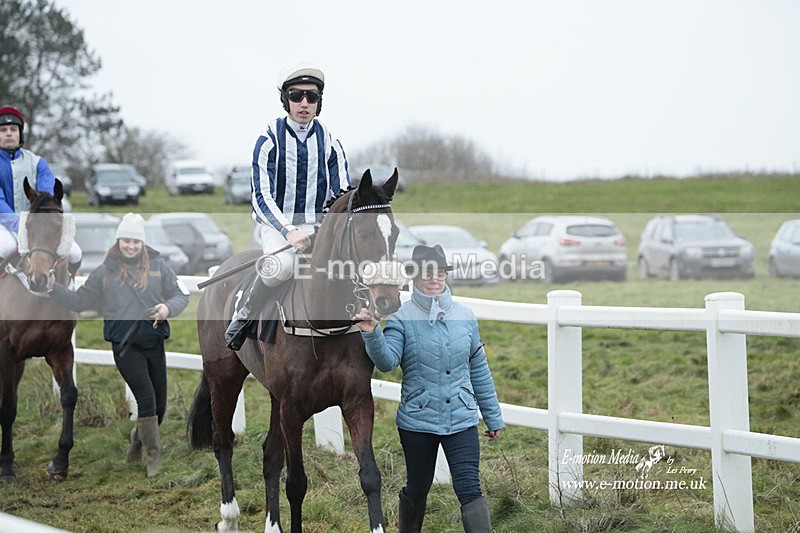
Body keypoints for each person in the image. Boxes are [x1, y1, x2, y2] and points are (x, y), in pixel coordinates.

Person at [354, 244, 504, 533]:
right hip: (417, 421)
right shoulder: (401, 317)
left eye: (440, 272)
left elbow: (479, 369)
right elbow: (387, 362)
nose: (434, 279)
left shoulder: (466, 316)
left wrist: (492, 416)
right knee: (418, 487)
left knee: (470, 488)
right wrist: (372, 332)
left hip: (461, 417)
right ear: (415, 277)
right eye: (427, 273)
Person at [46, 213, 189, 477]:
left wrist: (167, 308)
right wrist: (54, 288)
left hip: (153, 341)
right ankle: (153, 458)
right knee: (147, 400)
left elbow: (181, 295)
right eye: (126, 241)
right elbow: (79, 302)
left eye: (135, 241)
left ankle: (137, 439)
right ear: (118, 241)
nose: (131, 246)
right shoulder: (105, 271)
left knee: (159, 408)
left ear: (142, 243)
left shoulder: (158, 265)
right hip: (125, 346)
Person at [224, 65, 351, 350]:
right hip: (277, 227)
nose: (304, 103)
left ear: (318, 102)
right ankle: (244, 316)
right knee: (280, 267)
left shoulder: (331, 142)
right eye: (296, 96)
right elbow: (261, 196)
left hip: (318, 227)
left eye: (311, 97)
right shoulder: (268, 140)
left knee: (345, 268)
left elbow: (342, 194)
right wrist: (289, 231)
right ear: (286, 100)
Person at [0, 105, 82, 274]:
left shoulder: (38, 162)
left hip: (36, 225)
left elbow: (48, 196)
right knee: (7, 246)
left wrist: (38, 222)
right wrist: (19, 225)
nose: (8, 133)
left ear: (20, 133)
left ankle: (69, 285)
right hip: (3, 225)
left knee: (75, 253)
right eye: (3, 130)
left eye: (13, 129)